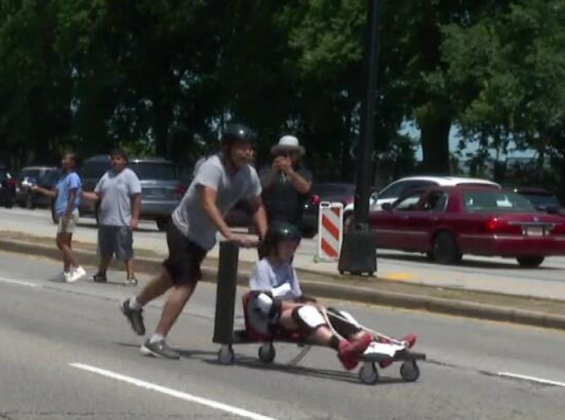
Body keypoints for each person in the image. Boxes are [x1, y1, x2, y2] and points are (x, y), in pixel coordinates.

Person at [119, 123, 268, 359]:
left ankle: (134, 305)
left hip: (202, 237)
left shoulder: (248, 175)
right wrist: (228, 233)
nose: (246, 152)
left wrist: (265, 235)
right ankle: (156, 340)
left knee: (170, 278)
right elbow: (207, 203)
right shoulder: (213, 167)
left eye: (249, 148)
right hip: (182, 229)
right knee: (187, 283)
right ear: (227, 147)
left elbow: (257, 205)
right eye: (241, 147)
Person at [248, 221, 416, 370]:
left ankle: (380, 345)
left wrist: (315, 303)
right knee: (306, 312)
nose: (291, 249)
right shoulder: (263, 267)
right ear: (274, 245)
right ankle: (342, 349)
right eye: (286, 245)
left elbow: (298, 296)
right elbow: (267, 304)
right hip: (272, 319)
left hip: (291, 311)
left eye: (293, 246)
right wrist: (303, 306)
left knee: (335, 314)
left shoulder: (287, 268)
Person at [83, 148, 142, 285]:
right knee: (105, 251)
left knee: (126, 250)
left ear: (125, 161)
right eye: (113, 159)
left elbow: (137, 197)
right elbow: (97, 195)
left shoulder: (129, 175)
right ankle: (101, 274)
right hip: (106, 221)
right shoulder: (107, 175)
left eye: (118, 159)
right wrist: (81, 194)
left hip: (122, 221)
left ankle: (131, 277)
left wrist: (135, 218)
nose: (115, 161)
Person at [28, 153, 85, 282]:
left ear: (73, 162)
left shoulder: (73, 177)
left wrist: (66, 214)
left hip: (68, 213)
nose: (63, 161)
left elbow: (73, 196)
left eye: (66, 159)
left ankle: (77, 268)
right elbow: (54, 194)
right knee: (66, 244)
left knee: (60, 242)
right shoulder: (63, 177)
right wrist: (38, 189)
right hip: (63, 213)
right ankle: (66, 273)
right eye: (63, 158)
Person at [259, 135, 312, 232]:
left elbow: (305, 188)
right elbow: (262, 188)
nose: (287, 157)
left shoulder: (303, 172)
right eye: (283, 153)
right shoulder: (267, 170)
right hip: (269, 224)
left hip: (294, 224)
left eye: (291, 153)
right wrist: (273, 172)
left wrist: (290, 172)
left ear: (297, 155)